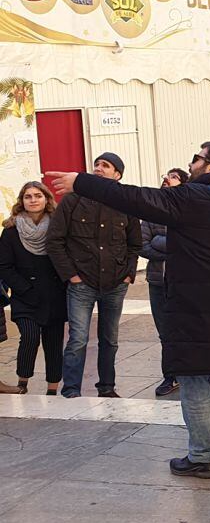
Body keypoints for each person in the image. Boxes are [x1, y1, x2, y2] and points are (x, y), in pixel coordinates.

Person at [46, 142, 210, 482]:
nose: (191, 164)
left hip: (193, 309)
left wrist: (82, 182)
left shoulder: (190, 199)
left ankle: (203, 457)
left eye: (197, 158)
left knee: (194, 381)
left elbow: (134, 198)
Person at [45, 152, 140, 399]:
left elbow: (135, 244)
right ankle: (72, 390)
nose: (99, 168)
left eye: (106, 166)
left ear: (117, 175)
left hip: (115, 283)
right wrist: (71, 276)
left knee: (110, 339)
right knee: (77, 339)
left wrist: (128, 273)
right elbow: (54, 241)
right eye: (97, 164)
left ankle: (107, 387)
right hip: (82, 283)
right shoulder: (73, 200)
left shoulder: (125, 202)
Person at [0, 182, 66, 395]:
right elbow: (4, 266)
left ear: (46, 199)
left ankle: (52, 389)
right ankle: (23, 381)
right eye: (28, 196)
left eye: (38, 195)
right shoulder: (10, 231)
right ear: (22, 201)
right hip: (25, 295)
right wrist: (23, 288)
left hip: (54, 294)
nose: (33, 200)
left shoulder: (58, 226)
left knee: (54, 342)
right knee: (29, 336)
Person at [141, 168, 189, 396]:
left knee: (188, 330)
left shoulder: (191, 210)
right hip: (158, 282)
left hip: (185, 282)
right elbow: (143, 245)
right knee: (165, 332)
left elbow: (191, 244)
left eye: (172, 177)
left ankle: (194, 372)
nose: (165, 180)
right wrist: (172, 250)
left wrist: (161, 242)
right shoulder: (153, 212)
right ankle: (170, 376)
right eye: (164, 177)